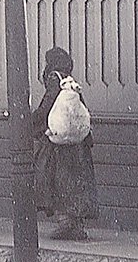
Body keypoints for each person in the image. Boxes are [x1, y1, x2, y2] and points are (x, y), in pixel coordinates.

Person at [31, 47, 98, 241]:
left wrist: (31, 122)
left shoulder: (54, 79)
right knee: (76, 184)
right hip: (77, 146)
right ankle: (76, 224)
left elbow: (46, 107)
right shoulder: (70, 82)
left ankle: (66, 223)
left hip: (58, 146)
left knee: (55, 182)